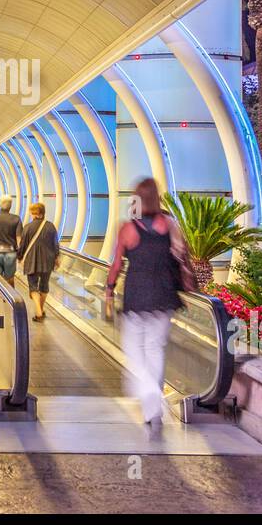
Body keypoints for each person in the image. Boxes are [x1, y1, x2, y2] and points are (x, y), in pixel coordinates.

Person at [105, 177, 197, 438]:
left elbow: (116, 264)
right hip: (164, 295)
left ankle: (149, 393)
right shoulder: (169, 224)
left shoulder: (127, 229)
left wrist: (109, 290)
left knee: (134, 350)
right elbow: (182, 255)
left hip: (137, 295)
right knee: (156, 349)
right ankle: (152, 409)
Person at [18, 202, 59, 321]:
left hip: (32, 260)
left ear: (33, 213)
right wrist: (56, 257)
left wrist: (20, 257)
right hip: (48, 259)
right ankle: (41, 309)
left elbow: (23, 245)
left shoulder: (28, 227)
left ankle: (39, 311)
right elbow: (55, 243)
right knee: (44, 285)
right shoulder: (50, 226)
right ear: (43, 212)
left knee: (33, 287)